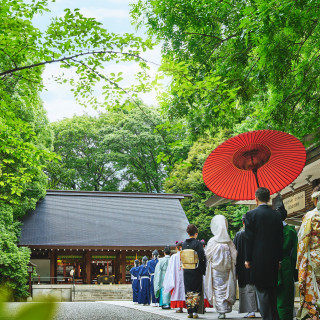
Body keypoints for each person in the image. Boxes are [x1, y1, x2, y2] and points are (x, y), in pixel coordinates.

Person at [245, 187, 283, 320]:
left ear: (256, 199)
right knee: (272, 291)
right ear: (268, 199)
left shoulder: (251, 215)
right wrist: (279, 259)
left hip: (257, 259)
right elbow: (280, 239)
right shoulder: (276, 215)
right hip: (273, 259)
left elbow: (249, 239)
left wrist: (248, 259)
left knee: (262, 291)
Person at [205, 215, 237, 319]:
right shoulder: (229, 241)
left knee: (218, 290)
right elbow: (235, 255)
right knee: (226, 288)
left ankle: (221, 311)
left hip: (216, 269)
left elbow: (208, 254)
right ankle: (225, 308)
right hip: (227, 270)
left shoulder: (212, 241)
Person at [296, 184, 320, 320]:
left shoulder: (310, 216)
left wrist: (300, 262)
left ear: (315, 199)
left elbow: (303, 241)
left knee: (312, 294)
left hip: (313, 259)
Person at [233, 215, 258, 318]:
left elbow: (234, 253)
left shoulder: (238, 235)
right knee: (252, 288)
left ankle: (250, 310)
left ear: (243, 223)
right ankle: (252, 310)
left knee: (245, 288)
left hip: (241, 266)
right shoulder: (255, 234)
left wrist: (235, 269)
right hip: (253, 265)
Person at [277, 203, 298, 320]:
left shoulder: (271, 231)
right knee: (286, 295)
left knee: (275, 295)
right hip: (287, 264)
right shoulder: (291, 231)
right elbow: (295, 252)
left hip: (273, 265)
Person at [182, 224, 206, 319]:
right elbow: (202, 258)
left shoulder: (184, 244)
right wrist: (203, 270)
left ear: (188, 233)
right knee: (196, 290)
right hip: (196, 269)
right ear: (196, 233)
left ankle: (189, 312)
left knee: (188, 290)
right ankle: (195, 311)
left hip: (187, 269)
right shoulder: (197, 243)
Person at [163, 241, 186, 313]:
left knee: (177, 291)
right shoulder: (186, 256)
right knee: (184, 290)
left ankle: (179, 308)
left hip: (175, 277)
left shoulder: (173, 257)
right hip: (184, 276)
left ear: (176, 248)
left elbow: (170, 269)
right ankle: (185, 306)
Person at [200, 239, 213, 310]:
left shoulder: (200, 252)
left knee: (203, 288)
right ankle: (204, 306)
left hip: (202, 272)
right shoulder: (207, 252)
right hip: (206, 272)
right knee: (206, 287)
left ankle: (202, 305)